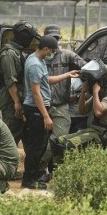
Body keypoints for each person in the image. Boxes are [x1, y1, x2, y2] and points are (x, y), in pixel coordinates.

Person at [22, 35, 79, 190]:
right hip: (35, 109)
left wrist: (67, 75)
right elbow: (36, 93)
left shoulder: (38, 61)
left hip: (39, 108)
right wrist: (46, 116)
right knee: (35, 147)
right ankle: (29, 180)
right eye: (52, 51)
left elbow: (47, 81)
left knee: (40, 145)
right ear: (46, 48)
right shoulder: (34, 64)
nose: (53, 54)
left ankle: (34, 177)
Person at [39, 24, 86, 182]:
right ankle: (41, 171)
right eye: (51, 39)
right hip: (40, 106)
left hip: (60, 106)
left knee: (59, 139)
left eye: (56, 39)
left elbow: (86, 67)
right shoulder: (37, 58)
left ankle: (40, 165)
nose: (54, 42)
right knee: (37, 139)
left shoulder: (68, 55)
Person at [51, 59, 107, 162]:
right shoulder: (97, 97)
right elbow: (82, 110)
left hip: (105, 136)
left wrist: (95, 92)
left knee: (67, 145)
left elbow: (98, 113)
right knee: (57, 142)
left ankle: (71, 170)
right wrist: (84, 91)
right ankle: (59, 170)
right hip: (93, 132)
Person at [0, 20, 38, 146]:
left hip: (18, 100)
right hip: (11, 102)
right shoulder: (9, 54)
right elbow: (10, 81)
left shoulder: (18, 52)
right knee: (10, 138)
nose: (30, 41)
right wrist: (17, 103)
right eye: (29, 37)